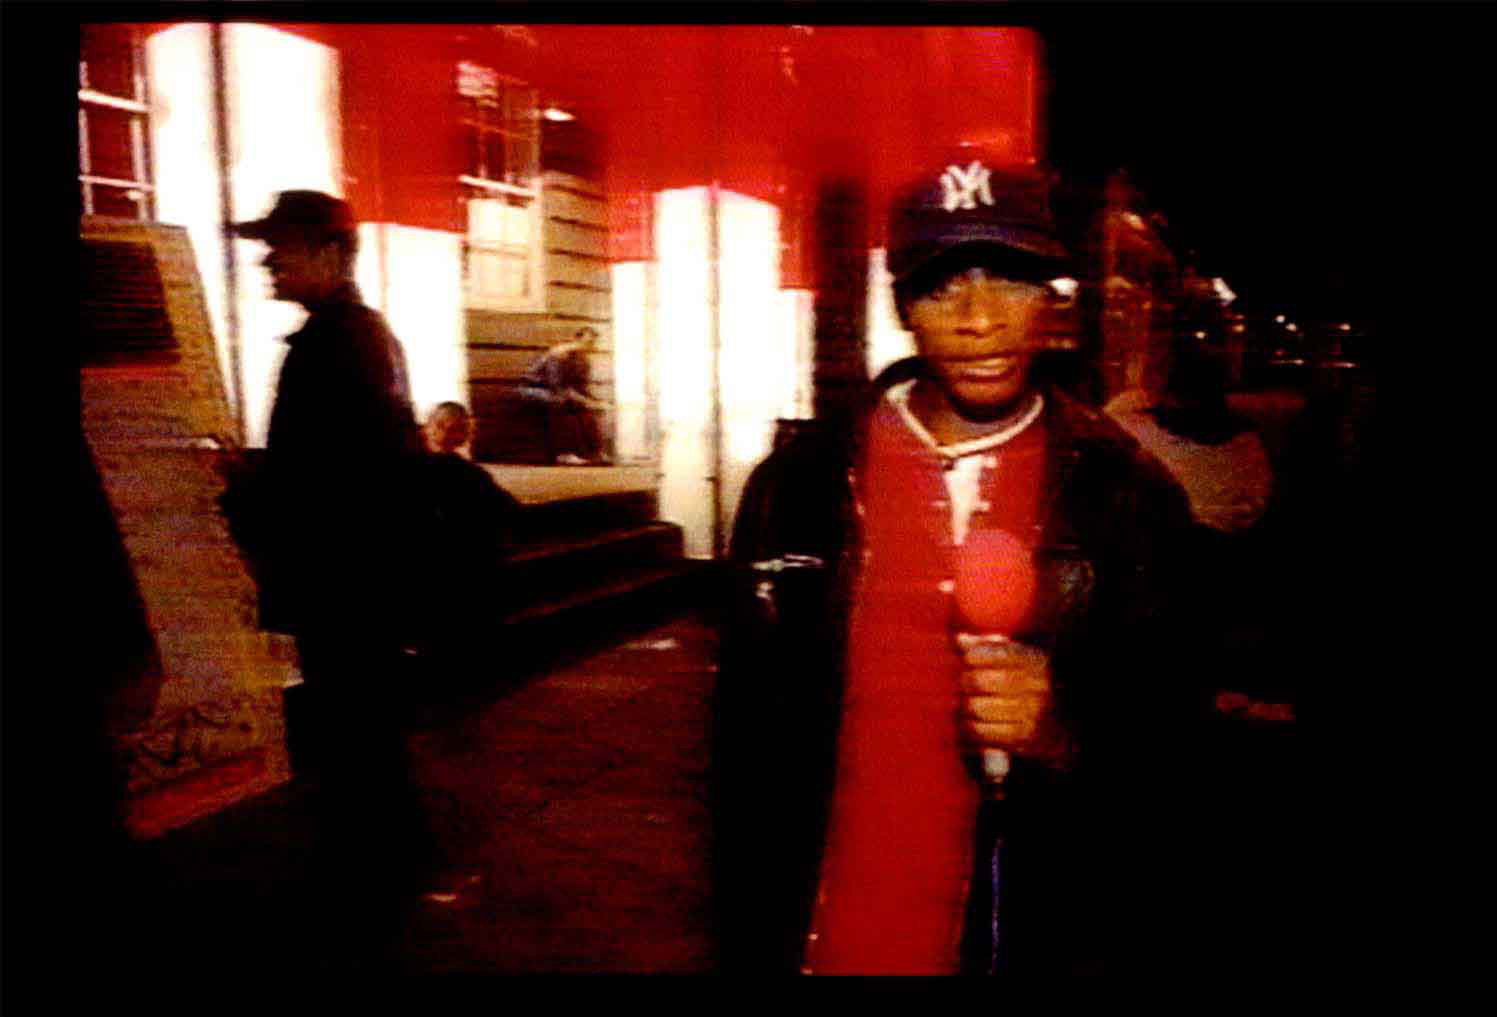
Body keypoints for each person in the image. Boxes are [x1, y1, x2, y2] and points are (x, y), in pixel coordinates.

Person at [714, 157, 1209, 975]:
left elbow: (1177, 755)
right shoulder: (795, 486)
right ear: (903, 303)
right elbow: (742, 755)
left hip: (1018, 933)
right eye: (942, 286)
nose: (979, 320)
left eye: (1010, 279)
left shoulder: (1126, 495)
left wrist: (1060, 735)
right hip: (826, 940)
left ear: (1050, 297)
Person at [216, 190, 431, 968]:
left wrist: (245, 486)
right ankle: (387, 866)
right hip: (364, 576)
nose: (269, 260)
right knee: (366, 727)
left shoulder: (331, 346)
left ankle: (367, 884)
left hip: (344, 579)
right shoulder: (364, 338)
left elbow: (326, 480)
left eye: (285, 246)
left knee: (353, 728)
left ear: (333, 254)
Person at [520, 326, 609, 464]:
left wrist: (596, 401)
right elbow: (557, 386)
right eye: (586, 342)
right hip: (533, 389)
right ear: (576, 340)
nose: (588, 346)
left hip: (559, 391)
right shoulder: (559, 355)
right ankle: (564, 453)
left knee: (586, 409)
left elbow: (582, 387)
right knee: (561, 402)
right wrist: (585, 401)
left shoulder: (583, 361)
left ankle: (594, 452)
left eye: (592, 343)